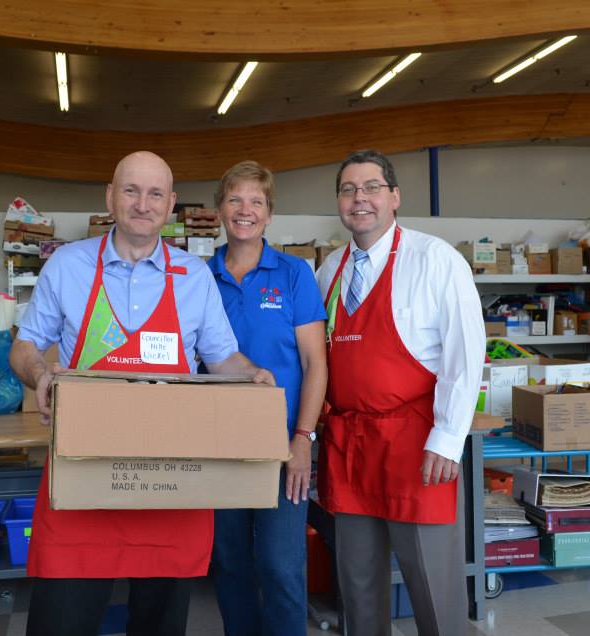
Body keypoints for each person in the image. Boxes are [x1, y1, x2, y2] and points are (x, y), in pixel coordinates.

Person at [10, 151, 275, 636]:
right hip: (82, 474)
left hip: (169, 482)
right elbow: (25, 345)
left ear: (171, 204)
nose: (142, 204)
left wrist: (252, 375)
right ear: (110, 196)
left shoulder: (194, 277)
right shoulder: (68, 265)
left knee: (161, 626)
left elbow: (222, 358)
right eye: (131, 190)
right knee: (60, 622)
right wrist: (39, 373)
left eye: (155, 194)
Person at [315, 150, 484, 636]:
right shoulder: (329, 270)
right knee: (358, 586)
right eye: (348, 189)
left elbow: (465, 353)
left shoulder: (435, 260)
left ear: (394, 197)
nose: (359, 198)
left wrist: (448, 439)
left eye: (371, 187)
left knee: (433, 588)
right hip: (350, 448)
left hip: (417, 448)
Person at [206, 161, 327, 636]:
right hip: (218, 446)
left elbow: (315, 364)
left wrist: (303, 438)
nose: (245, 210)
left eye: (256, 201)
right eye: (234, 199)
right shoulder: (200, 277)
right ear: (220, 209)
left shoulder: (294, 274)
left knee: (280, 565)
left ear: (269, 214)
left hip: (283, 445)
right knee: (230, 562)